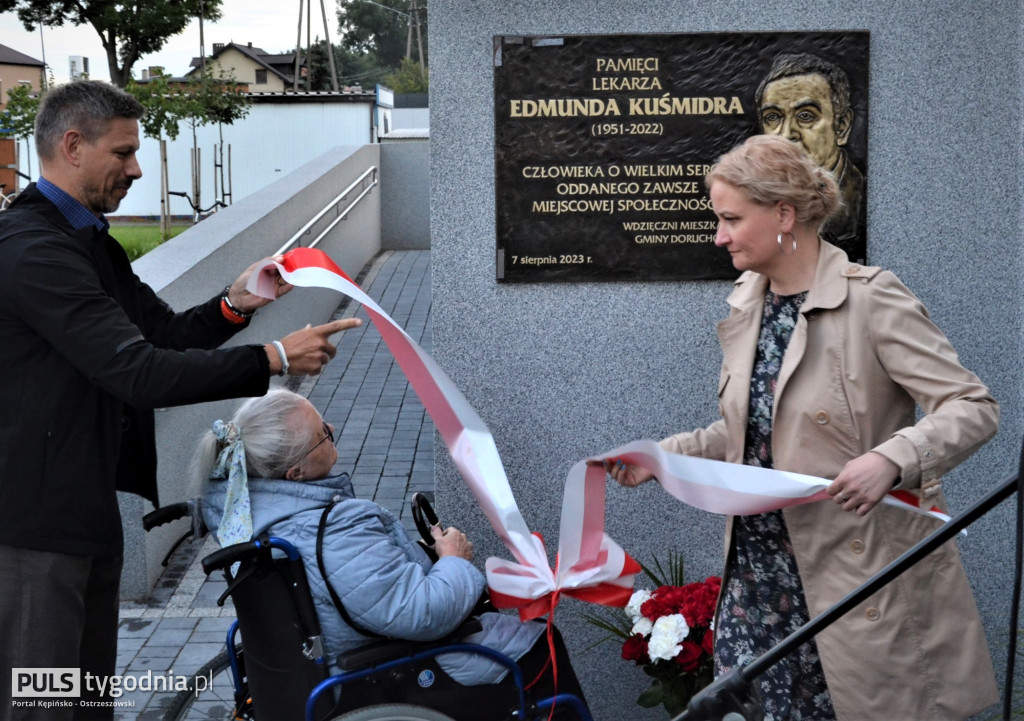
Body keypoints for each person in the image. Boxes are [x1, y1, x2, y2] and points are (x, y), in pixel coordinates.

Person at [0, 80, 361, 720]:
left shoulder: (87, 242)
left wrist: (235, 304)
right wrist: (275, 359)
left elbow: (161, 333)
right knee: (41, 706)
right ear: (72, 145)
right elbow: (138, 371)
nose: (137, 169)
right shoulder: (33, 250)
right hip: (31, 533)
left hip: (82, 513)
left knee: (86, 703)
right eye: (124, 153)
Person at [607, 135, 999, 720]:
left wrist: (893, 458)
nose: (719, 236)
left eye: (731, 219)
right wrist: (662, 456)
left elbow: (972, 406)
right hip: (756, 577)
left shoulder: (873, 300)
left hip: (852, 579)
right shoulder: (749, 301)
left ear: (784, 214)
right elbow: (748, 432)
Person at [197, 389, 588, 718]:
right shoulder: (336, 529)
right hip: (382, 672)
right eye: (322, 435)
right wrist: (453, 559)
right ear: (294, 473)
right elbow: (421, 614)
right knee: (540, 644)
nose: (332, 430)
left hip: (322, 664)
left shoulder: (248, 521)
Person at [755, 52, 866, 263]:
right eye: (773, 117)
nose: (786, 134)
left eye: (805, 116)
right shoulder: (756, 200)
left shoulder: (862, 204)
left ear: (841, 127)